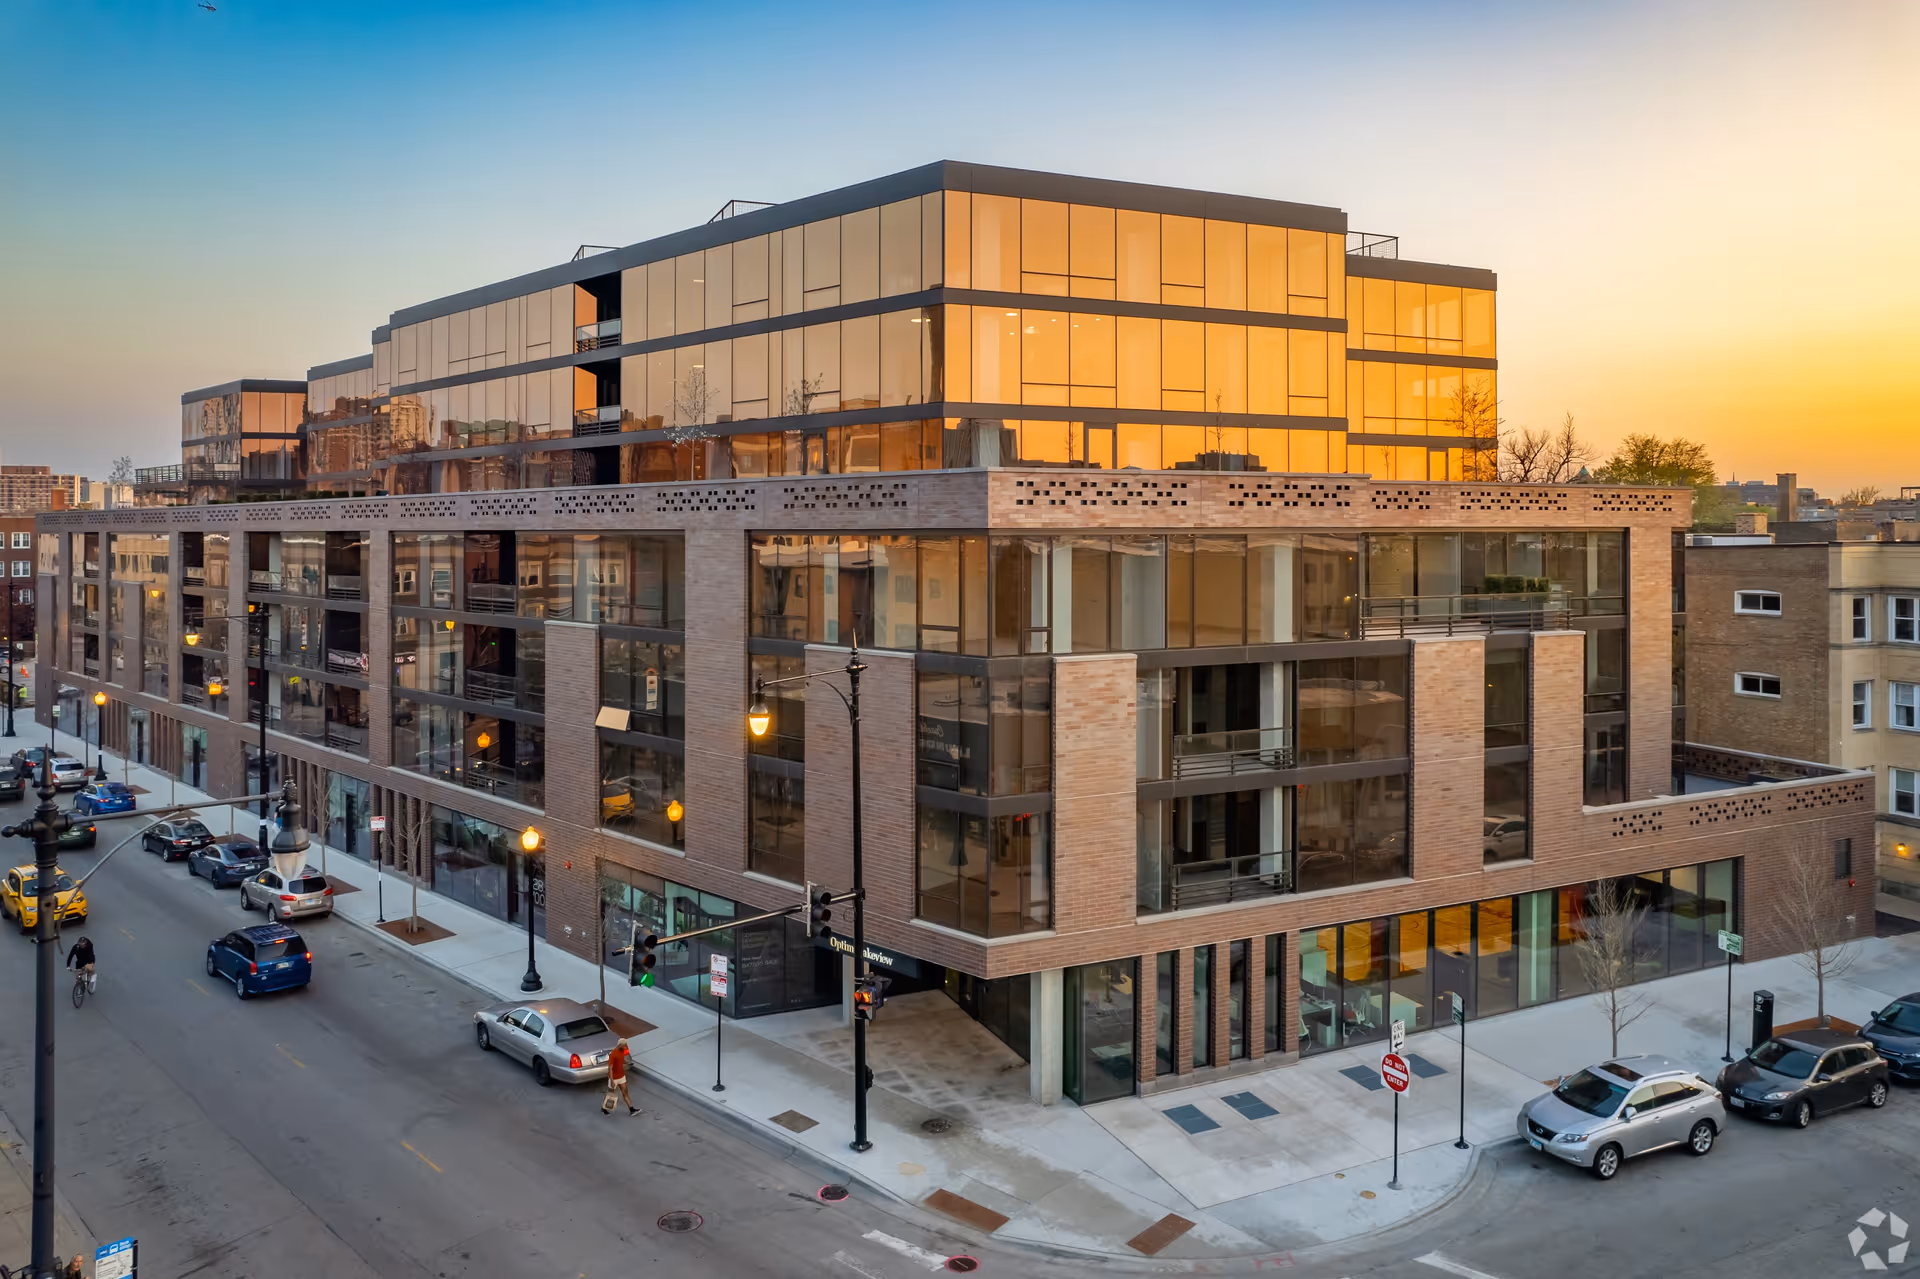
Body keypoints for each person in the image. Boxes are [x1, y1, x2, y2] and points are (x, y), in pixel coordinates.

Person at [605, 1036, 638, 1117]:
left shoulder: (622, 1051)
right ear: (620, 1045)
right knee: (611, 1095)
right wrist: (612, 1080)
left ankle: (632, 1110)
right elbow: (610, 1068)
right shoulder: (613, 1055)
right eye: (624, 1045)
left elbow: (621, 1060)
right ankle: (604, 1109)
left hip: (621, 1076)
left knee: (625, 1093)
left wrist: (626, 1062)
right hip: (614, 1078)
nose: (626, 1047)